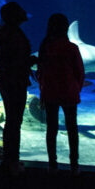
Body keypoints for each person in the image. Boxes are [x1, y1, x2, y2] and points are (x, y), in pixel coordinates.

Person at [36, 13, 84, 176]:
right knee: (72, 129)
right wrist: (76, 89)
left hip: (50, 94)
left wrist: (43, 91)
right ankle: (74, 165)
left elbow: (40, 73)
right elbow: (80, 72)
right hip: (69, 93)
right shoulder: (72, 48)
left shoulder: (45, 48)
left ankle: (52, 164)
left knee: (51, 129)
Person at [0, 2, 37, 176]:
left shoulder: (2, 32)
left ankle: (8, 159)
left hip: (6, 81)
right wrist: (31, 61)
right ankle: (12, 162)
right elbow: (16, 60)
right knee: (14, 122)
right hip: (15, 82)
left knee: (12, 121)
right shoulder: (13, 34)